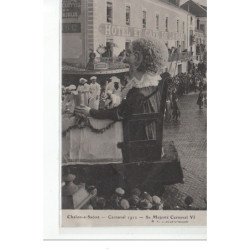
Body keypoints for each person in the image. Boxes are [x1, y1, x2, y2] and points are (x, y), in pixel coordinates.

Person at [76, 37, 168, 141]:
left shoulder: (139, 92)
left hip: (139, 142)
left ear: (137, 58)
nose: (125, 58)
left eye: (128, 54)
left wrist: (90, 111)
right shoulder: (151, 86)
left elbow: (118, 113)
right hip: (150, 136)